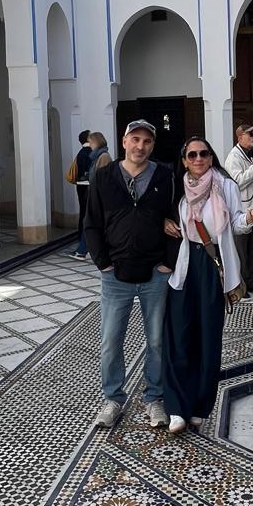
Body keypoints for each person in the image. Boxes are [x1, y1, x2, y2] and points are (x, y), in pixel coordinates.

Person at [165, 137, 253, 433]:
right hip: (183, 265)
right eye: (192, 155)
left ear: (211, 156)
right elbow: (162, 217)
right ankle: (176, 407)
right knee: (179, 335)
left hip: (213, 266)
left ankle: (200, 406)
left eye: (203, 154)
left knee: (208, 338)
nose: (198, 159)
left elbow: (236, 222)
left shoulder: (225, 185)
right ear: (184, 160)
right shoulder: (177, 186)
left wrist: (251, 216)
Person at [85, 118, 178, 429]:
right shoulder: (104, 177)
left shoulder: (165, 176)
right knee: (111, 340)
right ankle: (113, 398)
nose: (140, 146)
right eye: (135, 139)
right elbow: (92, 223)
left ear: (152, 145)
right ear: (124, 142)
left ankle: (154, 398)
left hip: (155, 273)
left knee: (157, 340)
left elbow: (177, 218)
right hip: (116, 275)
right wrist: (103, 263)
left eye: (147, 141)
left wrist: (168, 262)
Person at [223, 122, 253, 295]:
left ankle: (251, 280)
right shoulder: (234, 157)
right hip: (242, 210)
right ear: (240, 137)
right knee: (240, 251)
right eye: (250, 134)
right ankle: (240, 284)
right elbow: (237, 182)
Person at [69, 130, 93, 260]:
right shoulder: (90, 152)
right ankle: (84, 239)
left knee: (83, 211)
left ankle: (81, 238)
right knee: (88, 213)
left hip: (80, 185)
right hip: (88, 185)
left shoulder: (80, 153)